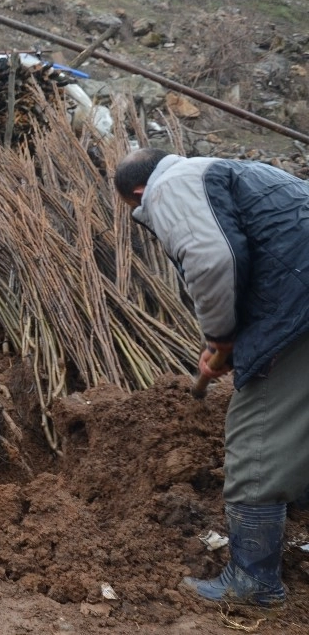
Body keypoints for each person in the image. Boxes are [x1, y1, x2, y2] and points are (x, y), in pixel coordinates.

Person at [114, 147, 309, 607]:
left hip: (299, 308)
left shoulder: (170, 187)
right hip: (298, 296)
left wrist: (220, 340)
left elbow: (213, 258)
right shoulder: (235, 173)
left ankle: (253, 583)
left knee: (257, 438)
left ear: (138, 192)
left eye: (136, 210)